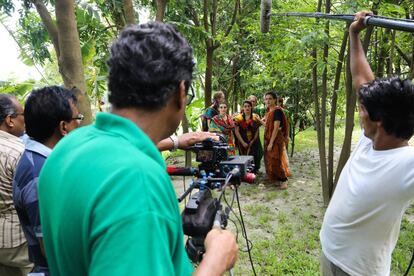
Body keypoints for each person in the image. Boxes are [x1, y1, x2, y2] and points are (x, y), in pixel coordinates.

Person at [38, 22, 237, 276]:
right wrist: (216, 262)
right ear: (180, 91)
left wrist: (177, 141)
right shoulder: (137, 182)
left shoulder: (66, 150)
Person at [319, 11, 414, 276]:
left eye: (362, 109)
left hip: (358, 271)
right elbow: (361, 79)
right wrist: (354, 34)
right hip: (329, 253)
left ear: (379, 120)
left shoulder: (407, 164)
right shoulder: (369, 140)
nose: (359, 114)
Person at [12, 86, 82, 275]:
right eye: (78, 119)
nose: (81, 125)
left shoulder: (40, 161)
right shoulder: (40, 173)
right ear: (63, 127)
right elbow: (49, 247)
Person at [0, 94, 32, 276]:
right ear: (10, 120)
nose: (25, 121)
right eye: (23, 116)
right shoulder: (19, 152)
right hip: (18, 240)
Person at [263, 91, 290, 189]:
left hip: (275, 139)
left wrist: (271, 143)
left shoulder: (277, 111)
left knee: (275, 159)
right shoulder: (269, 111)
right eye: (266, 99)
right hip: (269, 138)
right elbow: (267, 126)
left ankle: (283, 180)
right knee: (269, 159)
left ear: (275, 100)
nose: (268, 101)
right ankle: (276, 178)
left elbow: (276, 128)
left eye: (270, 98)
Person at [234, 100, 263, 173]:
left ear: (251, 107)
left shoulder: (255, 117)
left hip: (253, 140)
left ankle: (254, 171)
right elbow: (236, 131)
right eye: (245, 106)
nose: (247, 108)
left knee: (255, 155)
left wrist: (253, 141)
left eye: (249, 106)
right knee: (243, 157)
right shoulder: (238, 118)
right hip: (242, 141)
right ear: (243, 108)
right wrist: (243, 142)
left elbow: (257, 131)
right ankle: (244, 171)